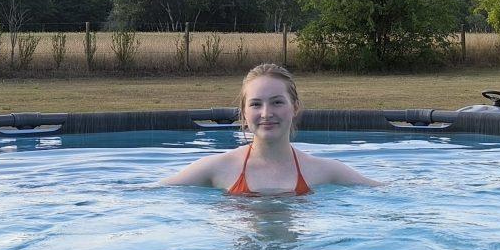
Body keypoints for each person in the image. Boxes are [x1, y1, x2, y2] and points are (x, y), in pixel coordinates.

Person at [162, 63, 380, 194]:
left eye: (277, 102)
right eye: (256, 104)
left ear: (294, 107)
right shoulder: (216, 168)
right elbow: (149, 193)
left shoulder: (325, 171)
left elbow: (386, 192)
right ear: (244, 113)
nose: (266, 113)